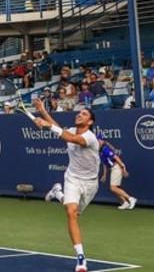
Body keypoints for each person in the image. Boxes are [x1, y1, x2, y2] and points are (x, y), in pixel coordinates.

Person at [34, 100, 99, 272]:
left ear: (90, 122)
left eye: (84, 114)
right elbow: (59, 130)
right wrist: (43, 111)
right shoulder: (70, 130)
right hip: (72, 179)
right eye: (79, 112)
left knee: (75, 211)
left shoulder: (90, 137)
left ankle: (57, 193)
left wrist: (48, 125)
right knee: (71, 213)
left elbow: (71, 138)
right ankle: (81, 259)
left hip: (91, 184)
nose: (79, 114)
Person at [99, 136, 136, 210]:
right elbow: (104, 163)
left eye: (99, 140)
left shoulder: (106, 149)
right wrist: (105, 174)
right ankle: (125, 203)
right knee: (114, 188)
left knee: (113, 188)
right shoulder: (100, 151)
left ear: (102, 141)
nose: (98, 142)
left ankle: (131, 199)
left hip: (117, 167)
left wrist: (123, 168)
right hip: (113, 168)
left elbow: (116, 157)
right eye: (97, 140)